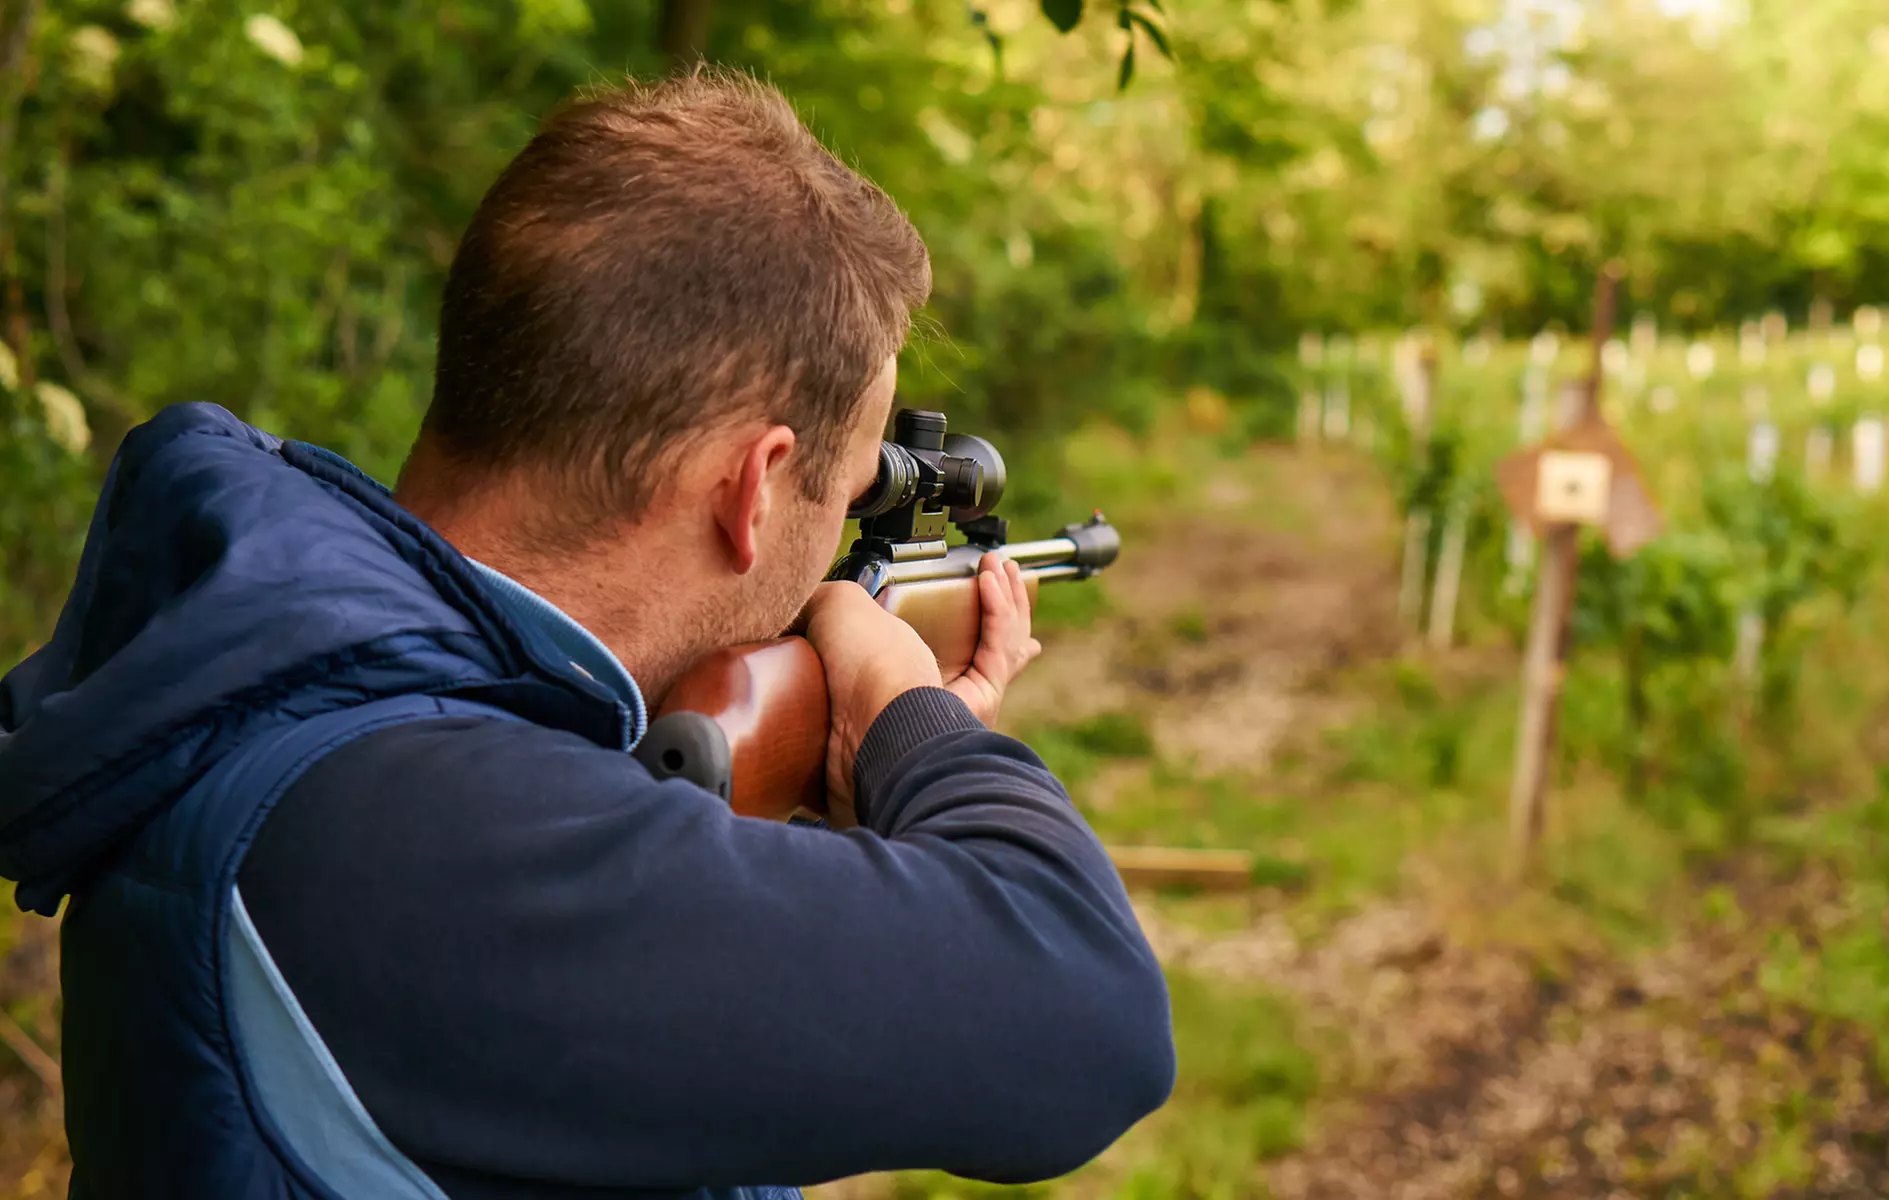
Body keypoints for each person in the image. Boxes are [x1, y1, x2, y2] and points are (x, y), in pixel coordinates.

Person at [0, 71, 1174, 1199]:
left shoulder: (285, 709)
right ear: (756, 486)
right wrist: (911, 726)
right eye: (847, 490)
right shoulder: (411, 830)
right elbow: (1090, 1018)